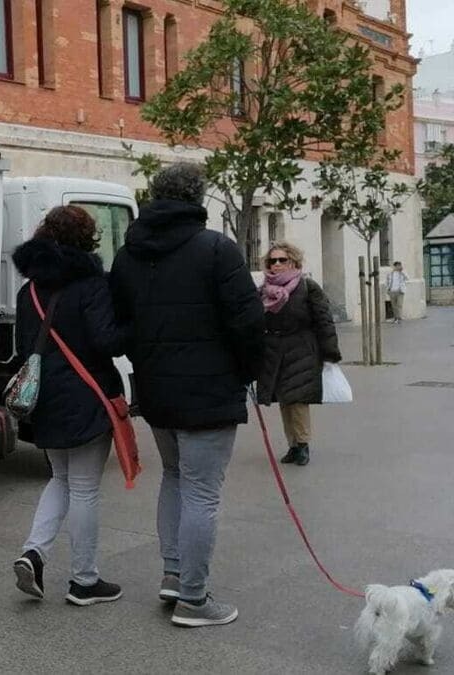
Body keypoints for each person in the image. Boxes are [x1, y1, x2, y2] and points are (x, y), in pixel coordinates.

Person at [109, 163, 265, 628]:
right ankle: (194, 599)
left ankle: (176, 574)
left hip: (157, 386)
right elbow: (248, 320)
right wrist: (249, 372)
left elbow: (121, 323)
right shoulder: (217, 248)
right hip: (210, 387)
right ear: (198, 196)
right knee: (201, 491)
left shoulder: (128, 253)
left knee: (175, 478)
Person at [10, 205, 128, 606]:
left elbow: (25, 348)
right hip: (87, 397)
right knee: (84, 489)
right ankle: (84, 580)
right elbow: (107, 342)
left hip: (45, 398)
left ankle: (33, 552)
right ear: (86, 240)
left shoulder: (27, 292)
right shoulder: (92, 286)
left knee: (59, 480)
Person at [256, 242, 342, 467]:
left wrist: (330, 351)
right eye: (272, 261)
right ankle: (292, 445)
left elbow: (324, 320)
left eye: (282, 260)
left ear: (293, 261)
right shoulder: (264, 290)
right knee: (285, 400)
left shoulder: (307, 287)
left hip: (301, 349)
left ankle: (303, 445)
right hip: (274, 352)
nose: (276, 264)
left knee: (298, 400)